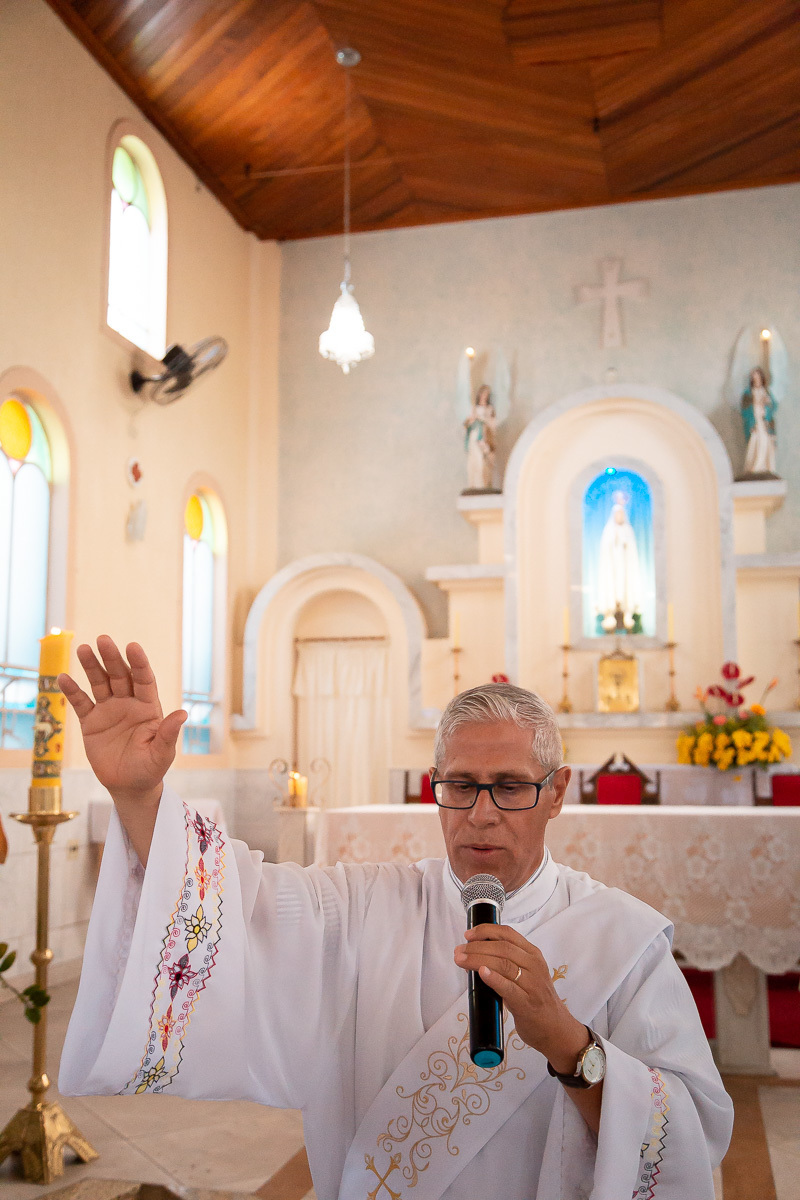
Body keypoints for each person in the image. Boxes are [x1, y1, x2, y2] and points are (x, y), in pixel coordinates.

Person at [58, 640, 732, 1199]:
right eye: (461, 785)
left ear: (557, 792)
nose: (482, 813)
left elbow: (690, 1141)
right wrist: (140, 796)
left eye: (512, 786)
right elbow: (237, 906)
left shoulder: (621, 939)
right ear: (433, 786)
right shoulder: (363, 906)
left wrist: (569, 1045)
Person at [596, 497, 642, 633]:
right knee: (611, 588)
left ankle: (628, 615)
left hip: (626, 568)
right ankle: (609, 616)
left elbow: (631, 550)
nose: (619, 516)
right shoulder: (608, 530)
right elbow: (605, 550)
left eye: (621, 514)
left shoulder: (628, 530)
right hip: (612, 568)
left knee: (627, 588)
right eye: (617, 514)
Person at [741, 366, 778, 477]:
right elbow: (745, 408)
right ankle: (755, 467)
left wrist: (767, 402)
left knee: (766, 442)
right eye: (754, 377)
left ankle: (766, 467)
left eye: (758, 377)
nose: (756, 379)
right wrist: (755, 406)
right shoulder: (748, 393)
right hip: (755, 421)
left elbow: (773, 406)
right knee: (756, 442)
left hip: (765, 422)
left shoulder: (766, 392)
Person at [464, 384, 496, 490]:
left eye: (486, 395)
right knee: (474, 459)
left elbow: (492, 424)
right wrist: (472, 421)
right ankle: (474, 484)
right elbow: (468, 423)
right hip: (475, 436)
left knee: (483, 461)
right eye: (483, 394)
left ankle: (483, 484)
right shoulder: (474, 409)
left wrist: (484, 423)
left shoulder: (490, 409)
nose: (484, 396)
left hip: (484, 437)